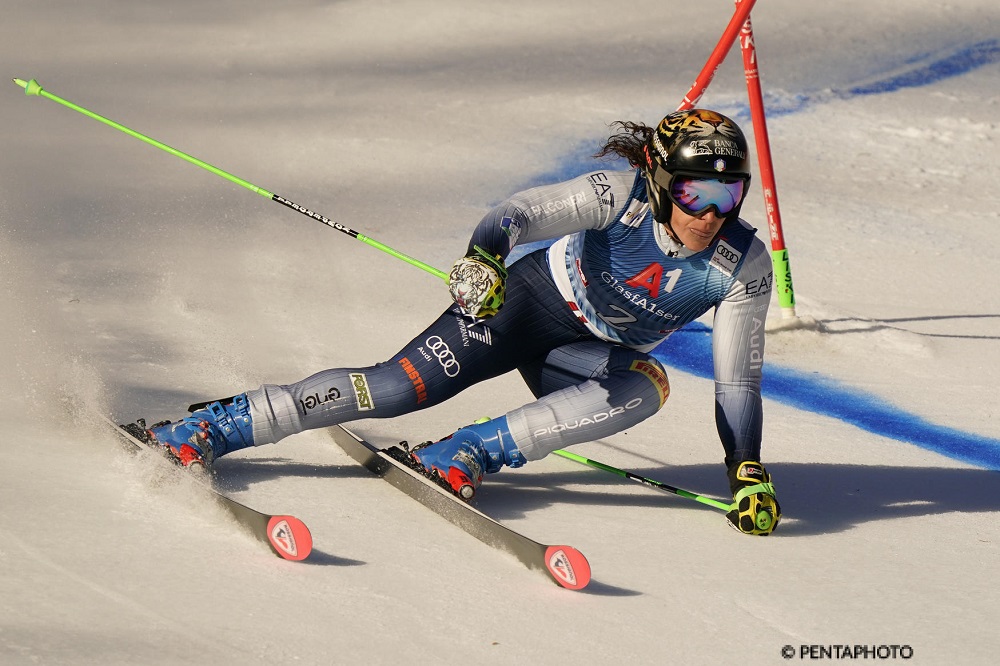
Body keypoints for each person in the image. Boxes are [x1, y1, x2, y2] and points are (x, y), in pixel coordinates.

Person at [127, 108, 781, 535]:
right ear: (662, 183)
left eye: (729, 195)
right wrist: (484, 259)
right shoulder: (618, 196)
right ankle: (211, 426)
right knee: (395, 388)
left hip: (580, 357)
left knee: (648, 385)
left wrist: (745, 472)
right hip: (519, 307)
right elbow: (515, 214)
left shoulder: (741, 263)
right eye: (694, 193)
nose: (711, 214)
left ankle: (461, 454)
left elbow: (736, 382)